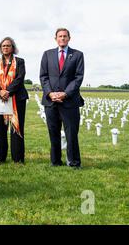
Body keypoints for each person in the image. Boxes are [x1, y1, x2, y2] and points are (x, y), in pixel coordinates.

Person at [39, 28, 85, 169]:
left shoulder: (77, 55)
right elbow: (43, 76)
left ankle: (74, 162)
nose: (63, 38)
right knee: (53, 133)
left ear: (69, 38)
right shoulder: (47, 54)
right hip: (51, 101)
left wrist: (65, 93)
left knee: (71, 134)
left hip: (69, 101)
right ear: (56, 38)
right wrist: (50, 93)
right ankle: (55, 161)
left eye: (65, 36)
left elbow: (78, 78)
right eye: (60, 36)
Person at [0, 37, 29, 164]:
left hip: (17, 98)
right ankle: (0, 159)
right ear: (0, 48)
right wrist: (0, 91)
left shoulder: (19, 61)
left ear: (13, 47)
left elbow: (20, 78)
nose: (5, 48)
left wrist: (8, 91)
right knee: (0, 129)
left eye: (8, 45)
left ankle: (17, 158)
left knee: (16, 127)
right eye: (3, 46)